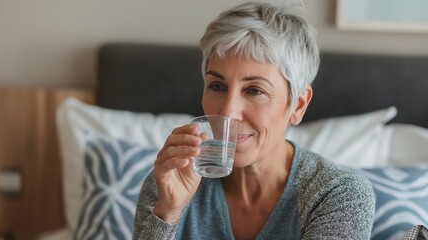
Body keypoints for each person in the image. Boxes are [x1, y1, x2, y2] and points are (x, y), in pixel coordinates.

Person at [133, 1, 375, 239]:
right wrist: (167, 214)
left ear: (298, 104)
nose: (228, 112)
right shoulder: (169, 182)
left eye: (254, 90)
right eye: (217, 86)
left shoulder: (338, 194)